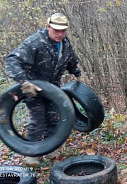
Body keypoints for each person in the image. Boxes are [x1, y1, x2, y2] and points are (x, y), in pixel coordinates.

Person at [5, 13, 81, 167]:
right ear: (48, 27)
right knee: (38, 119)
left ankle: (50, 149)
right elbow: (11, 60)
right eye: (56, 30)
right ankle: (31, 155)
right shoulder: (35, 42)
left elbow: (71, 60)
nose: (59, 34)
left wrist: (76, 72)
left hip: (54, 90)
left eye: (63, 30)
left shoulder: (65, 43)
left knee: (53, 119)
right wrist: (24, 82)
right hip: (33, 88)